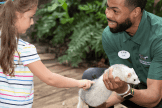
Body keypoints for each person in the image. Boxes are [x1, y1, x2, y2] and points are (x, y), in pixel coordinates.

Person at [0, 0, 95, 107]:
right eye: (31, 17)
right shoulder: (25, 49)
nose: (32, 22)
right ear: (16, 16)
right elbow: (50, 78)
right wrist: (79, 83)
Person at [82, 0, 162, 108]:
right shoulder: (110, 34)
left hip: (157, 97)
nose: (108, 14)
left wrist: (125, 91)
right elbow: (121, 81)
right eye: (108, 7)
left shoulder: (159, 36)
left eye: (115, 11)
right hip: (134, 91)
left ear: (135, 12)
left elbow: (154, 97)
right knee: (91, 76)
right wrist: (102, 104)